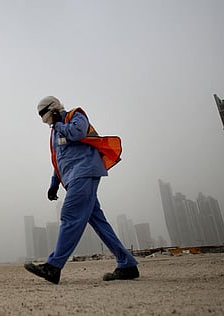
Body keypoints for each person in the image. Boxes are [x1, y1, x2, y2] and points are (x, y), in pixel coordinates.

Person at [24, 96, 139, 284]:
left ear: (53, 110)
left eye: (46, 117)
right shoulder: (55, 132)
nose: (46, 123)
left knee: (70, 215)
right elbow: (59, 159)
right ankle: (127, 264)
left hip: (84, 170)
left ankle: (53, 266)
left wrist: (59, 124)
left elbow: (78, 132)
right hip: (72, 177)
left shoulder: (74, 116)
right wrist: (54, 183)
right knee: (99, 222)